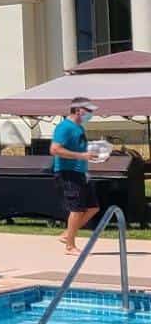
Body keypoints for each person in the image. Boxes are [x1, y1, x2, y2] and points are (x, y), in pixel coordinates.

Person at [52, 97, 100, 253]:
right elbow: (55, 150)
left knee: (93, 207)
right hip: (68, 172)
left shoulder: (79, 128)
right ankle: (70, 246)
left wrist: (91, 155)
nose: (91, 114)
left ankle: (67, 234)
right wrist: (81, 156)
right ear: (79, 110)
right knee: (77, 209)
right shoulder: (64, 127)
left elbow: (80, 151)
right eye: (89, 111)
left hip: (81, 172)